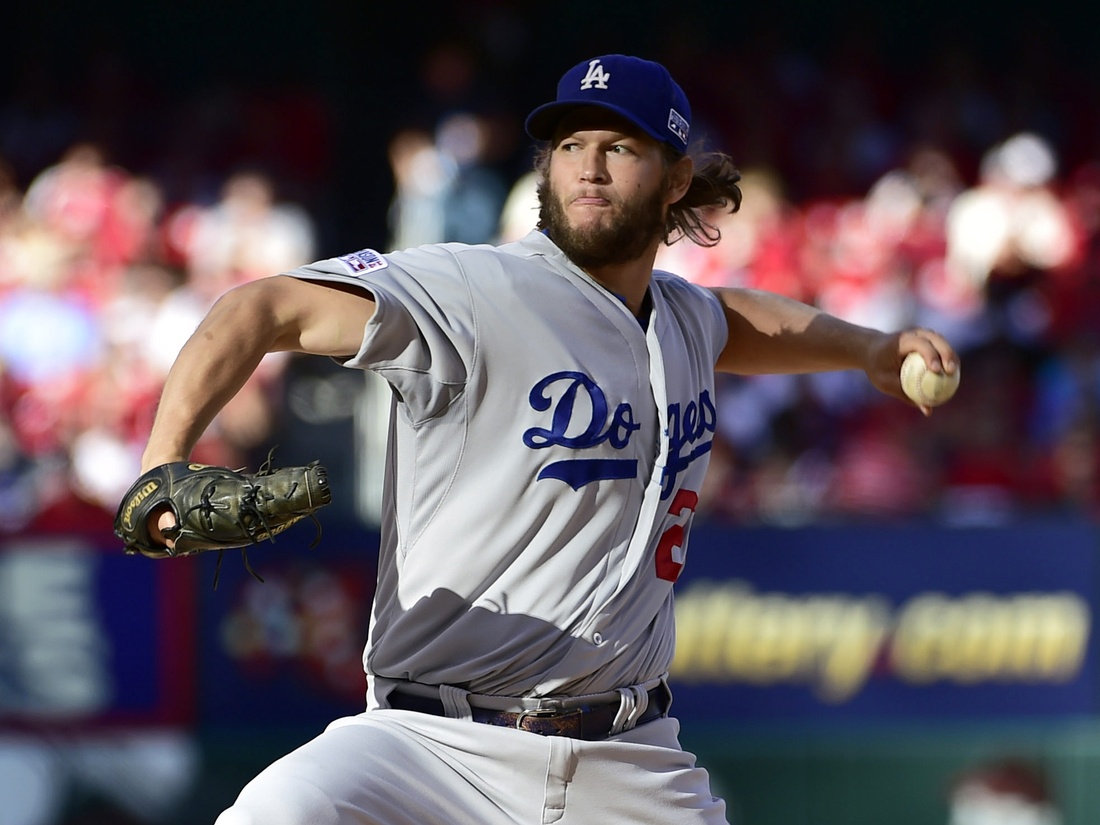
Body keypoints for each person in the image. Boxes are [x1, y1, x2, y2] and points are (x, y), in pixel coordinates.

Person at [134, 54, 959, 824]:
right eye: (570, 144)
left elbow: (740, 320)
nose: (588, 166)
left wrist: (869, 350)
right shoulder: (472, 288)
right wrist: (162, 463)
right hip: (427, 746)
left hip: (630, 758)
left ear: (676, 180)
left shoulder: (680, 318)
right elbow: (261, 308)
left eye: (619, 146)